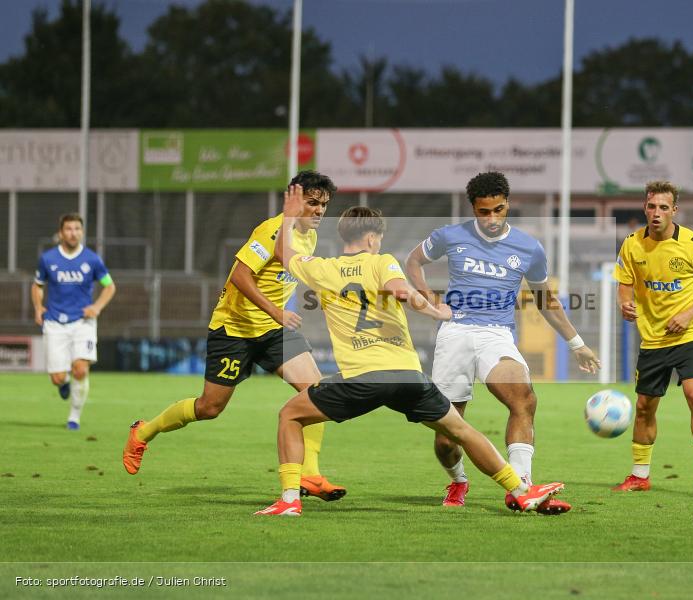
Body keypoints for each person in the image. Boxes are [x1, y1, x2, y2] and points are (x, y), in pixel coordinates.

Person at [255, 199, 565, 516]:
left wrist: (291, 216)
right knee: (462, 431)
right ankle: (521, 490)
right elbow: (402, 292)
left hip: (362, 379)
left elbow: (283, 252)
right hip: (408, 376)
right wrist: (434, 309)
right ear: (373, 238)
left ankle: (290, 500)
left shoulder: (322, 268)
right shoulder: (381, 261)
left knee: (290, 415)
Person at [123, 171, 344, 502]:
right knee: (209, 407)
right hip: (234, 329)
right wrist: (277, 311)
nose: (319, 211)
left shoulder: (307, 236)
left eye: (324, 205)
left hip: (272, 331)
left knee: (316, 392)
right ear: (293, 199)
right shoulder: (270, 230)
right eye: (312, 203)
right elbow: (240, 276)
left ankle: (309, 474)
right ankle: (143, 431)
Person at [405, 171, 599, 514]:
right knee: (446, 437)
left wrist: (576, 343)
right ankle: (458, 478)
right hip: (455, 332)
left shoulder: (528, 247)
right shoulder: (450, 236)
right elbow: (414, 260)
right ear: (473, 208)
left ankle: (522, 488)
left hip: (496, 334)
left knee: (524, 400)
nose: (492, 219)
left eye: (498, 209)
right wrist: (430, 300)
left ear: (508, 203)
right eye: (484, 212)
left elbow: (546, 300)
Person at [613, 180, 693, 496]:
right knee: (645, 406)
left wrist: (689, 313)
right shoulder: (631, 245)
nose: (657, 213)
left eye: (664, 207)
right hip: (652, 339)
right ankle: (639, 476)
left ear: (674, 210)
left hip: (690, 334)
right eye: (652, 206)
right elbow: (624, 281)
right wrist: (624, 302)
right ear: (645, 208)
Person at [31, 214, 116, 430]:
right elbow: (37, 285)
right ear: (61, 233)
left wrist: (96, 307)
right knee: (58, 378)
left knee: (80, 369)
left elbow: (109, 286)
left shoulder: (92, 259)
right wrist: (38, 307)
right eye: (68, 229)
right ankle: (63, 382)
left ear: (82, 232)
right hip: (55, 322)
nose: (73, 233)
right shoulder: (48, 259)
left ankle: (74, 417)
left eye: (77, 228)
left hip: (82, 322)